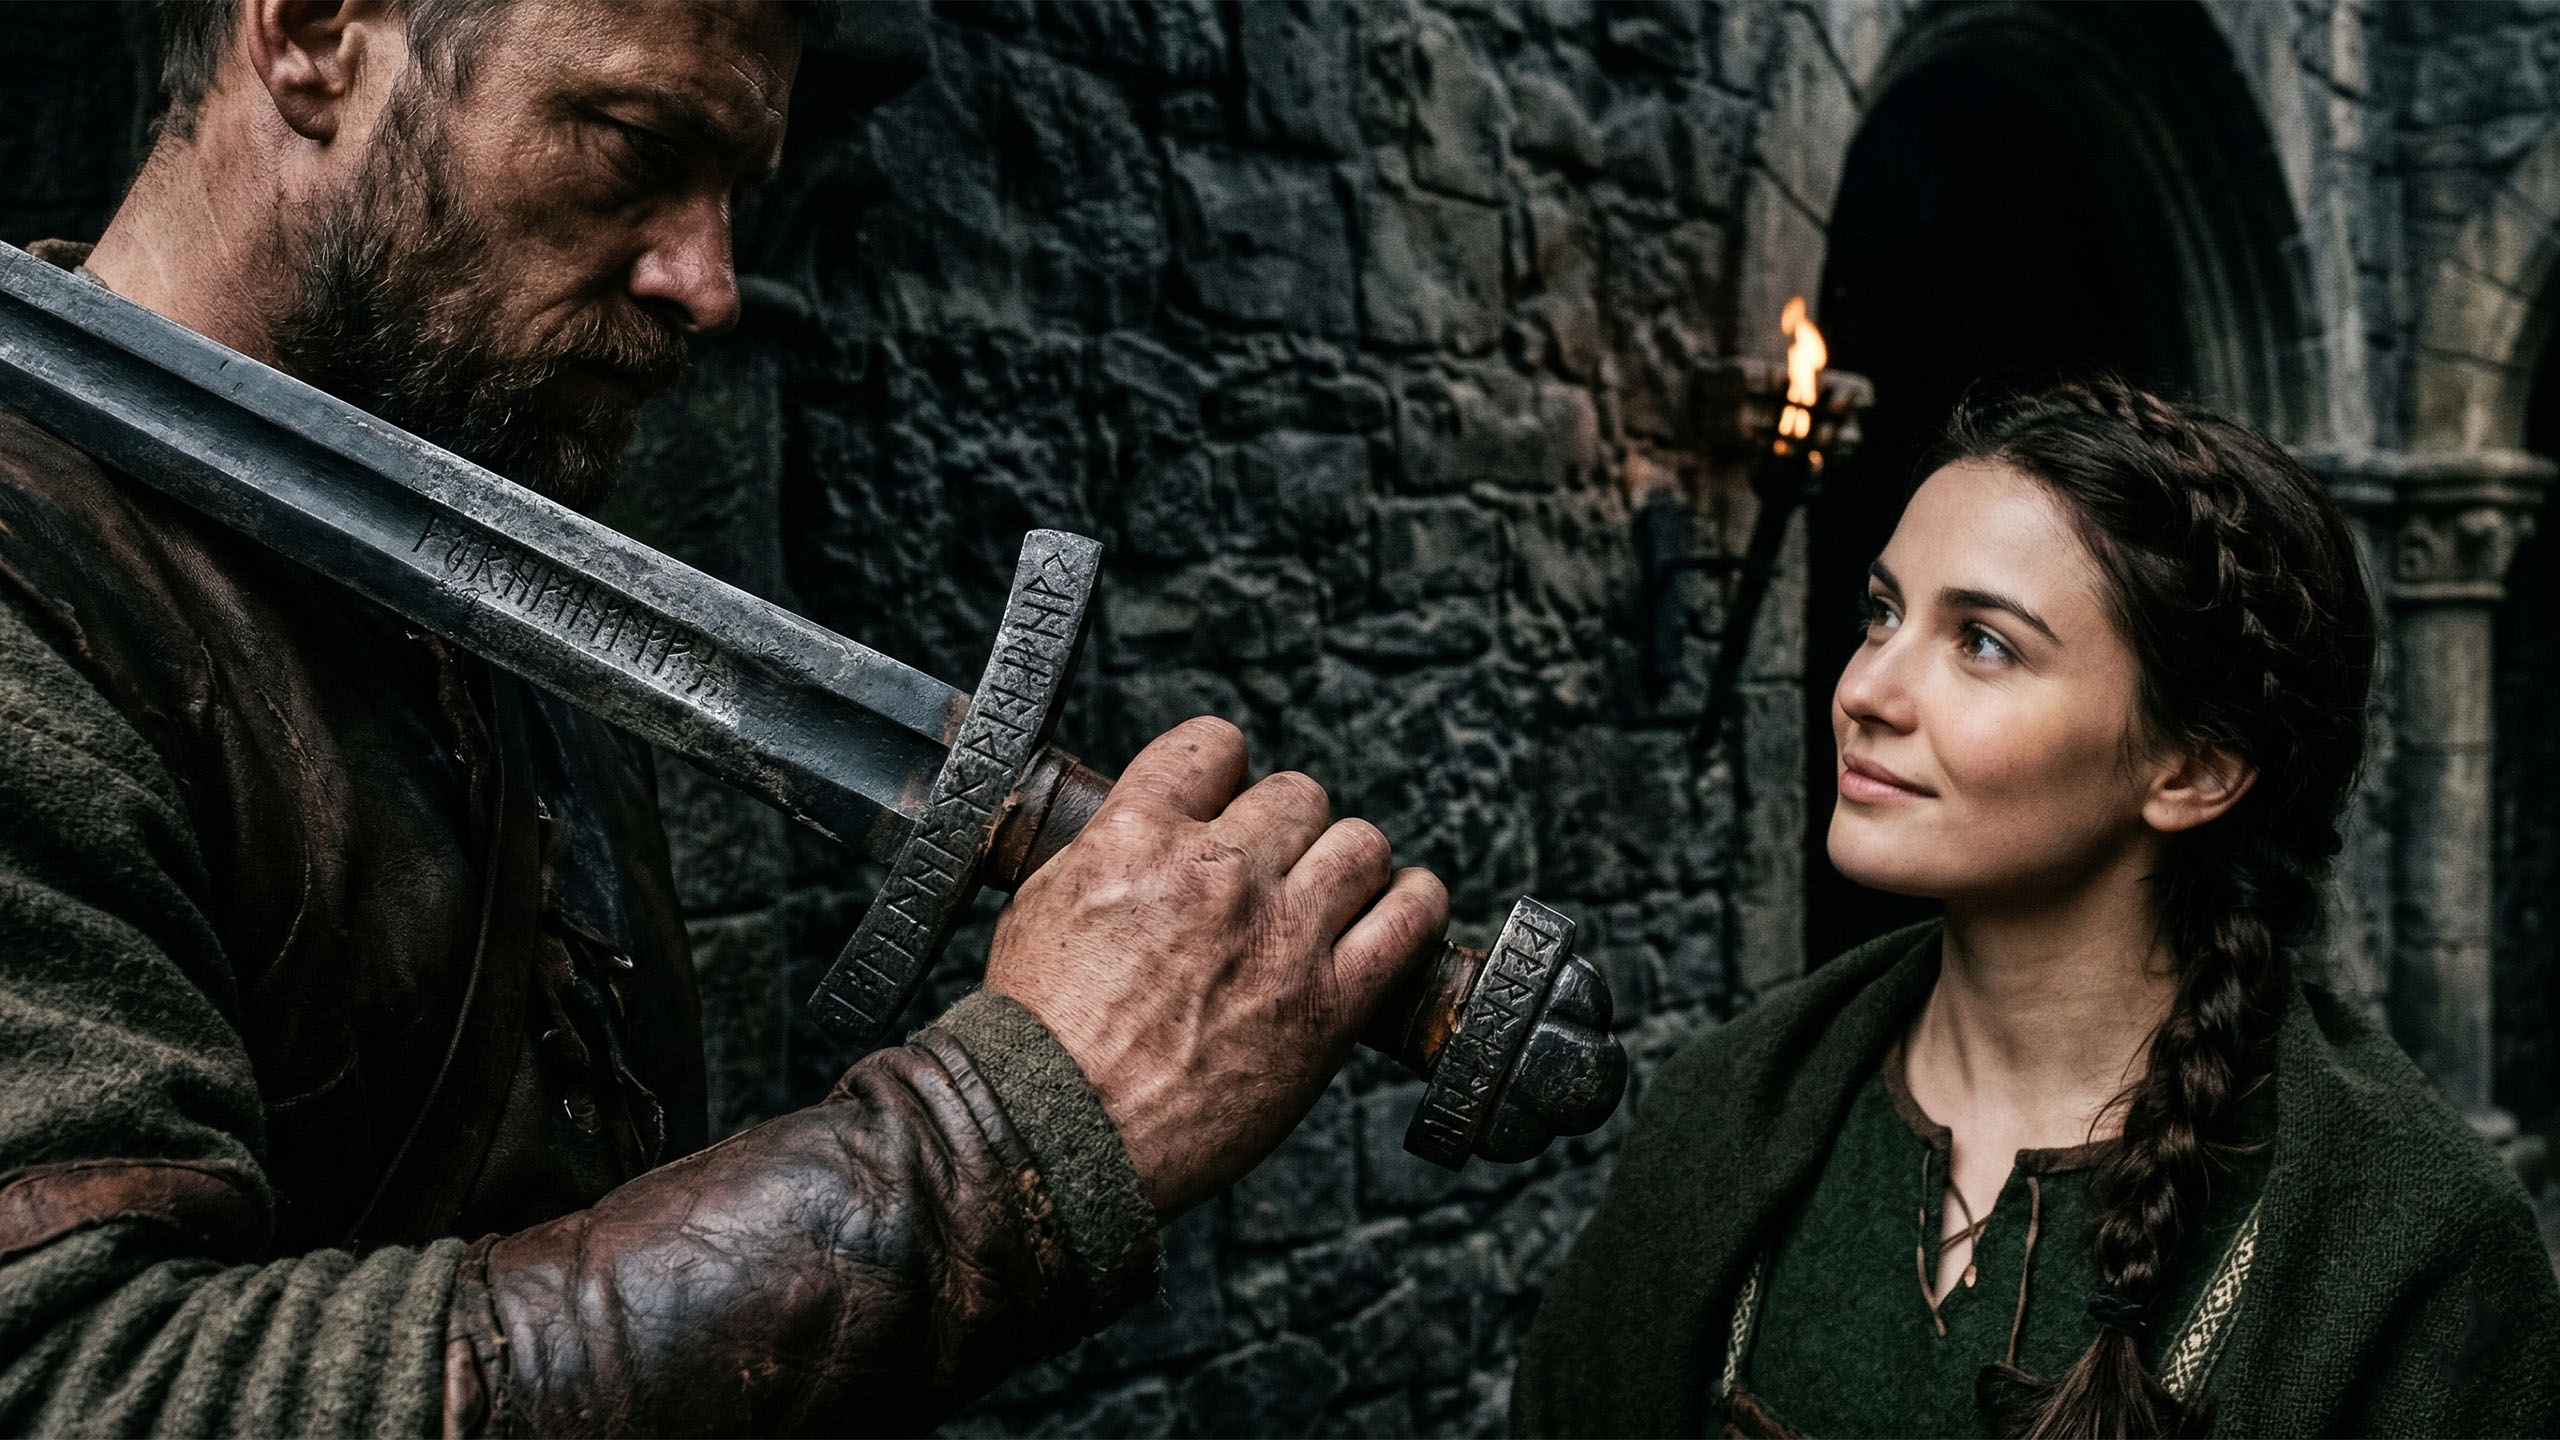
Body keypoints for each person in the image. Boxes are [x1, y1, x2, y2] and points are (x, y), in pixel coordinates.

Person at [0, 2, 1448, 1435]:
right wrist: (1000, 1143)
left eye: (736, 193)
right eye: (634, 139)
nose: (712, 282)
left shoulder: (499, 590)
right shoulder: (35, 601)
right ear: (314, 35)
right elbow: (84, 1388)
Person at [1513, 381, 2560, 1436]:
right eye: (1881, 613)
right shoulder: (1727, 1110)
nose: (1865, 690)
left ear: (2191, 769)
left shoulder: (2413, 1239)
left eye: (1982, 643)